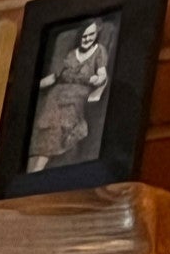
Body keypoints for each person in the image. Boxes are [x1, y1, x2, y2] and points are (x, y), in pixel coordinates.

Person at [28, 20, 111, 172]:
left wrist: (97, 80)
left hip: (78, 93)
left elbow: (102, 76)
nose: (87, 39)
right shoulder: (72, 53)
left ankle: (37, 169)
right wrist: (31, 87)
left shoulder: (99, 51)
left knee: (60, 122)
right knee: (46, 121)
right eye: (84, 36)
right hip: (57, 92)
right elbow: (55, 76)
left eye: (91, 35)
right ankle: (32, 167)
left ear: (96, 35)